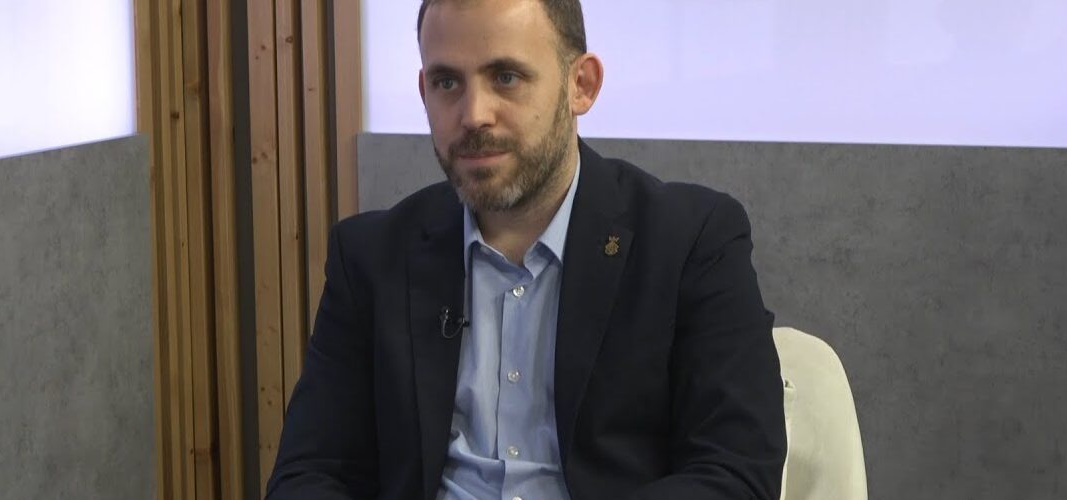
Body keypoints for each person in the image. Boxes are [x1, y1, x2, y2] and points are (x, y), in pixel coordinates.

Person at [266, 1, 786, 499]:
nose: (474, 115)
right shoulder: (370, 257)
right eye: (447, 83)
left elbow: (735, 473)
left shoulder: (691, 241)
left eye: (506, 77)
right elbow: (309, 474)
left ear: (581, 85)